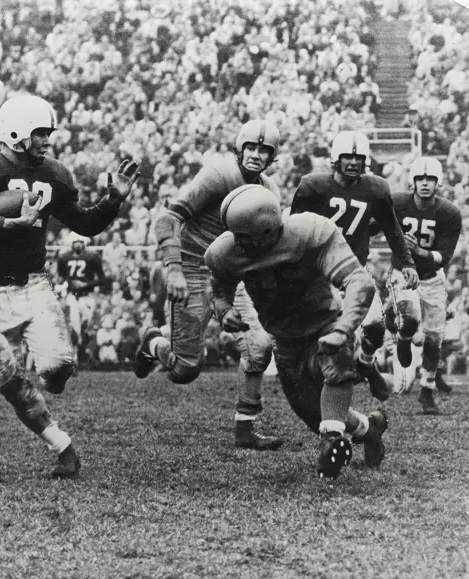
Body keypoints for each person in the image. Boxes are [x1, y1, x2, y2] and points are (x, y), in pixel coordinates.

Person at [0, 94, 139, 479]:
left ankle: (53, 377)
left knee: (57, 368)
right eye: (40, 133)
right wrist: (9, 224)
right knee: (10, 381)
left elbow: (84, 224)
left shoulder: (53, 173)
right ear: (16, 132)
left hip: (32, 285)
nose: (47, 141)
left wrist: (113, 200)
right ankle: (62, 445)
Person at [205, 184, 389, 480]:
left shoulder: (309, 234)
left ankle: (331, 441)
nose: (237, 243)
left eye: (243, 237)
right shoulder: (226, 252)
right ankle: (369, 428)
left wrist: (343, 328)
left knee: (337, 365)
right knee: (315, 414)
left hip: (324, 325)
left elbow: (359, 282)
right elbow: (217, 284)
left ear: (265, 231)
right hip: (286, 341)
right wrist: (224, 310)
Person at [134, 119, 283, 451]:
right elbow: (167, 219)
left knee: (259, 348)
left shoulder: (269, 191)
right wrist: (173, 268)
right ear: (240, 147)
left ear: (272, 157)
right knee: (186, 369)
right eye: (252, 148)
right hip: (193, 268)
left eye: (264, 150)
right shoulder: (218, 175)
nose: (257, 155)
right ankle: (154, 344)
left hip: (231, 275)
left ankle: (246, 427)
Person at [290, 130, 419, 402]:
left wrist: (407, 262)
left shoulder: (375, 188)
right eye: (347, 157)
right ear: (336, 159)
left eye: (358, 158)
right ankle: (318, 380)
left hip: (353, 271)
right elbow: (295, 230)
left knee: (374, 326)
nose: (352, 162)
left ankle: (366, 363)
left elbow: (392, 229)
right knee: (321, 335)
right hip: (319, 273)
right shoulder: (314, 186)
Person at [384, 158, 462, 414]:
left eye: (430, 179)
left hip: (433, 278)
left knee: (434, 339)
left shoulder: (448, 212)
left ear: (437, 182)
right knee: (410, 319)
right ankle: (404, 337)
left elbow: (445, 257)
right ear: (413, 181)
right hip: (403, 274)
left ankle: (427, 389)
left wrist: (420, 251)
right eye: (421, 179)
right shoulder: (398, 203)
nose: (425, 183)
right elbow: (375, 224)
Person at [57, 231, 107, 358]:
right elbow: (61, 277)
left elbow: (102, 279)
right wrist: (64, 284)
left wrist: (85, 284)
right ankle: (75, 358)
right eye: (75, 242)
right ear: (71, 243)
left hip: (87, 296)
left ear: (84, 243)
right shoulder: (64, 257)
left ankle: (82, 352)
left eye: (80, 242)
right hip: (72, 296)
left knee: (87, 326)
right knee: (75, 327)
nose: (78, 245)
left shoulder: (92, 256)